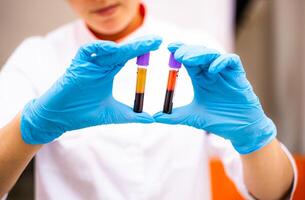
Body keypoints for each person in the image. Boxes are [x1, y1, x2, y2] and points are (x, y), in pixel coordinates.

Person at [0, 0, 296, 199]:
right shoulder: (37, 56)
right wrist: (32, 128)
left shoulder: (197, 51)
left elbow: (274, 193)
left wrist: (254, 136)